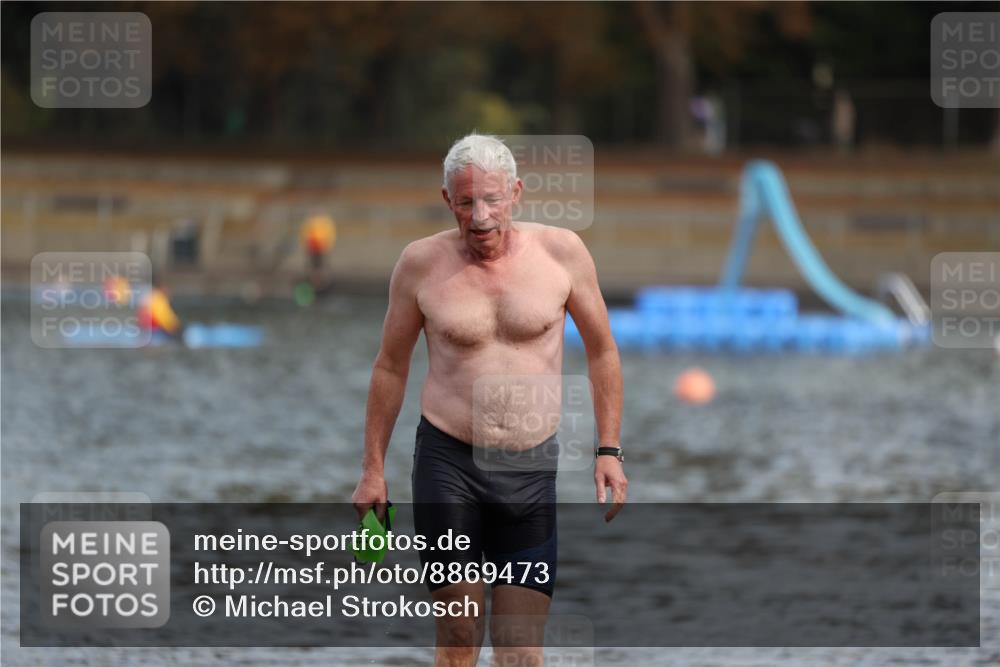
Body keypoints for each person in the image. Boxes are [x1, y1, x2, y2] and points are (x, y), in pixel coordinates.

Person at [352, 134, 626, 666]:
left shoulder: (562, 254)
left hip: (529, 468)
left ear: (516, 193)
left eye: (492, 200)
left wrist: (609, 450)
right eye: (465, 202)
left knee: (521, 647)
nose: (479, 218)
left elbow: (603, 351)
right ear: (446, 199)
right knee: (459, 632)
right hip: (447, 462)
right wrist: (372, 469)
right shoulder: (419, 265)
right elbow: (390, 366)